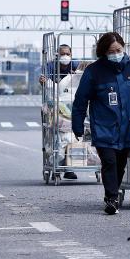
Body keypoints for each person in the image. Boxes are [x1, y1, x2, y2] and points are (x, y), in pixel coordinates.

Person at [71, 32, 130, 215]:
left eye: (118, 50)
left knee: (120, 163)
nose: (116, 53)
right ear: (104, 52)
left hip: (128, 126)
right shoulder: (94, 72)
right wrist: (77, 125)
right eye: (111, 51)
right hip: (104, 127)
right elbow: (81, 100)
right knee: (109, 162)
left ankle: (114, 192)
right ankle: (111, 199)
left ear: (123, 47)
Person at [40, 44, 82, 179]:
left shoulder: (75, 65)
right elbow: (44, 80)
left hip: (71, 105)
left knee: (71, 136)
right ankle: (56, 166)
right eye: (62, 54)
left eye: (67, 54)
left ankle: (69, 168)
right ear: (57, 55)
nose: (65, 56)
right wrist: (43, 81)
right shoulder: (50, 66)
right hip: (55, 106)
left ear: (71, 54)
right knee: (56, 137)